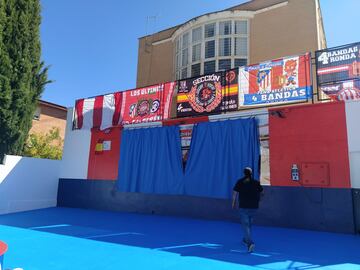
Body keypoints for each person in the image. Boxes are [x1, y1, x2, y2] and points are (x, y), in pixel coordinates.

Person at [232, 167, 263, 253]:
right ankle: (246, 239)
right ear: (251, 173)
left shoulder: (240, 182)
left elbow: (235, 193)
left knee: (246, 226)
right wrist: (259, 200)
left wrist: (233, 203)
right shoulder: (256, 182)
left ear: (244, 173)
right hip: (254, 207)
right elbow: (262, 192)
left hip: (243, 206)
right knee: (248, 225)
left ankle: (250, 243)